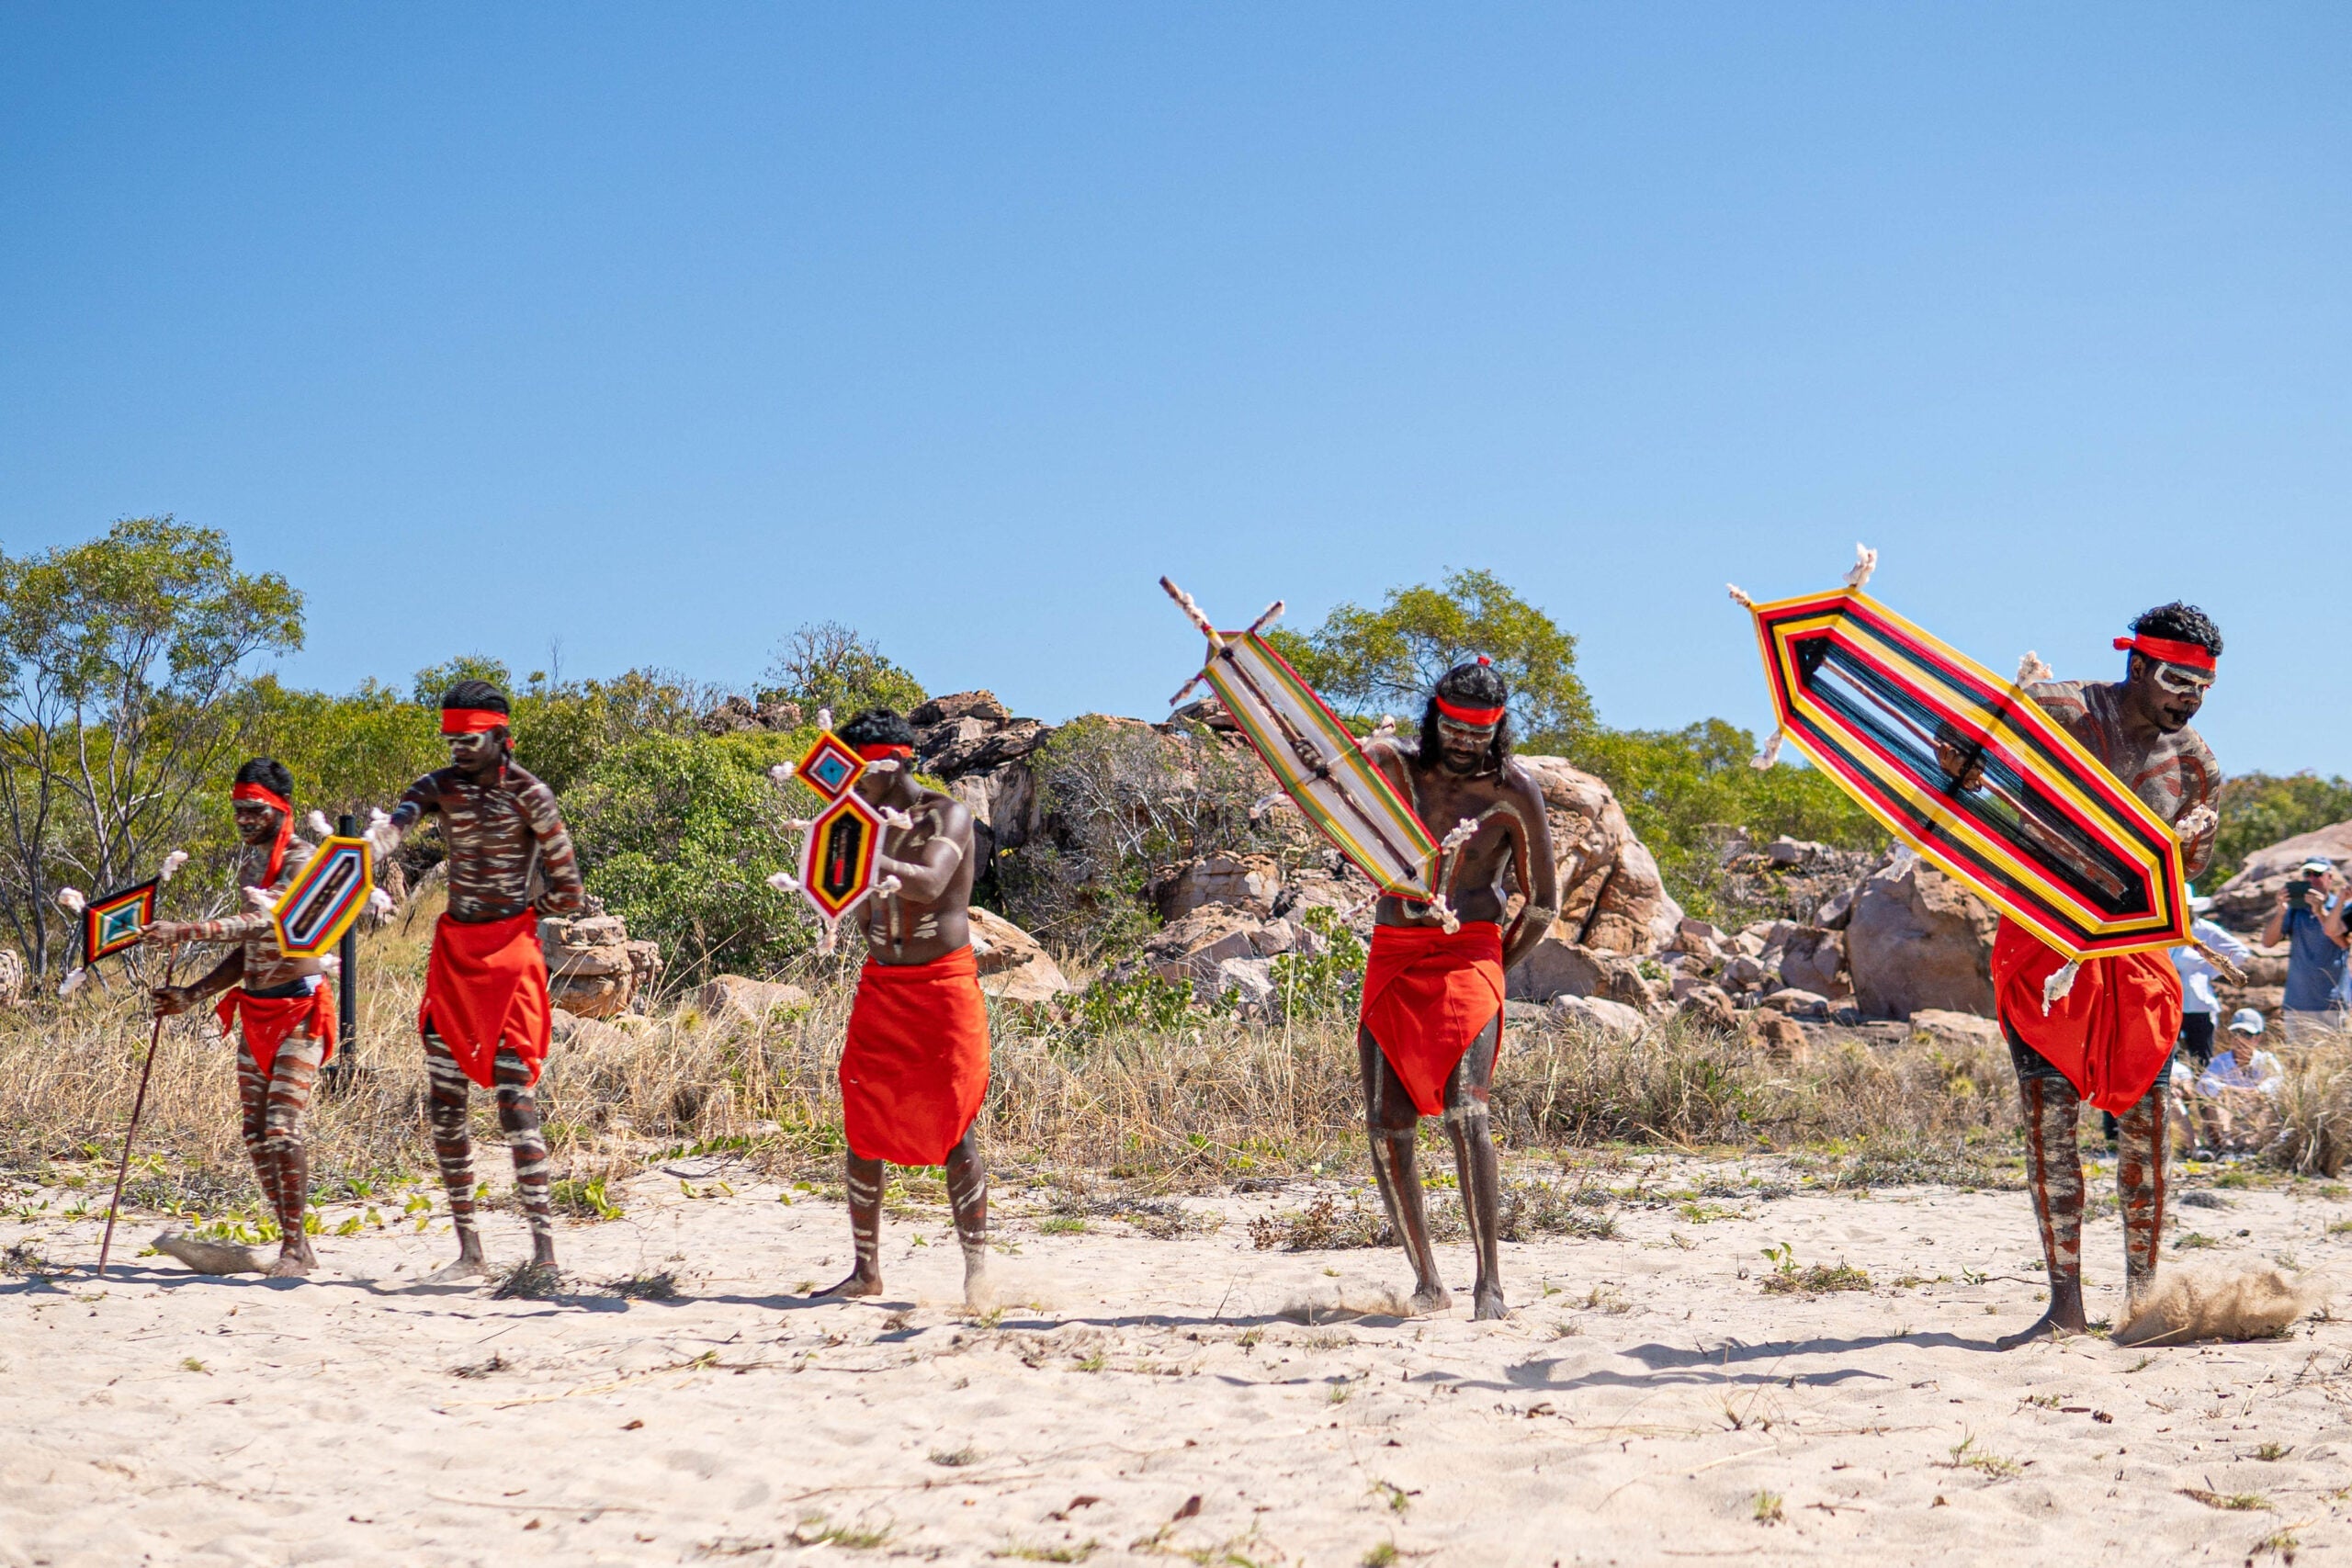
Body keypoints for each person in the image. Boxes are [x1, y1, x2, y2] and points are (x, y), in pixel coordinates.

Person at [1969, 603, 2222, 1347]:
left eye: (2203, 687)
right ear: (2138, 665)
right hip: (2043, 937)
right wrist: (1966, 756)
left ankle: (2143, 1302)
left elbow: (2189, 869)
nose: (2190, 699)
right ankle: (2064, 1306)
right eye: (2177, 680)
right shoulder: (2059, 708)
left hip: (2137, 951)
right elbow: (1969, 750)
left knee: (2147, 1127)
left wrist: (2195, 841)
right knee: (2049, 1124)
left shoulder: (2198, 766)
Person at [1356, 658, 1559, 1320]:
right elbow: (1339, 797)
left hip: (1470, 952)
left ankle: (1488, 1284)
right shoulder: (1395, 766)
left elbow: (1542, 904)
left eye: (1479, 733)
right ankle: (1427, 1281)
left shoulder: (1513, 790)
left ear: (1498, 730)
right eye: (1454, 729)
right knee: (1386, 1122)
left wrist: (1495, 962)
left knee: (1467, 1113)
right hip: (1395, 950)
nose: (1466, 743)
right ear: (1434, 718)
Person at [365, 682, 583, 1282]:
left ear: (500, 736)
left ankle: (544, 1255)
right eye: (452, 740)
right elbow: (398, 823)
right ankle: (470, 1252)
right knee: (445, 1104)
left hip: (510, 957)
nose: (458, 749)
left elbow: (569, 889)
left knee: (515, 1101)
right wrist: (371, 845)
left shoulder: (531, 795)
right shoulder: (441, 787)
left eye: (470, 739)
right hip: (454, 957)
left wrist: (523, 912)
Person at [810, 708, 993, 1309]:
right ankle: (865, 1271)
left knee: (956, 1127)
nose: (850, 783)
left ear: (890, 766)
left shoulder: (947, 815)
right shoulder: (853, 821)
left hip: (942, 988)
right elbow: (836, 888)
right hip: (881, 987)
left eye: (857, 771)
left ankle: (977, 1277)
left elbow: (929, 882)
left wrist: (862, 852)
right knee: (864, 1124)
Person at [141, 760, 333, 1278]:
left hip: (300, 1012)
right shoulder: (252, 867)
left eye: (254, 810)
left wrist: (187, 930)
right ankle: (298, 1244)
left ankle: (294, 1248)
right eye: (238, 810)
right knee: (254, 1132)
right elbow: (249, 949)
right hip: (257, 1011)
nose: (244, 819)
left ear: (281, 810)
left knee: (281, 1127)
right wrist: (193, 994)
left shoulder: (302, 860)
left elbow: (268, 919)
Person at [2109, 889, 2254, 1148]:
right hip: (2164, 1006)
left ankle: (2213, 1130)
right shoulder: (2159, 928)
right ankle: (2175, 1132)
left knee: (2201, 1066)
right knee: (2167, 1065)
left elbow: (2239, 952)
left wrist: (2205, 973)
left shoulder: (2205, 930)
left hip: (2196, 1006)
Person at [2261, 856, 2346, 1043]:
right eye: (2308, 874)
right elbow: (2268, 942)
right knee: (2299, 1058)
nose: (2312, 879)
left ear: (2329, 878)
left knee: (2331, 1056)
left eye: (2317, 874)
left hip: (2331, 1003)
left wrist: (2320, 912)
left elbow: (2343, 943)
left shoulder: (2341, 907)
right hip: (2297, 1003)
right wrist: (2281, 912)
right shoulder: (2295, 909)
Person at [2192, 1009, 2285, 1153]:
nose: (2240, 1039)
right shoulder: (2221, 1061)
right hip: (2230, 1113)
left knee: (2267, 1099)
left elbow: (2279, 1082)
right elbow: (2202, 1085)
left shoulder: (2266, 1060)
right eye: (2236, 1034)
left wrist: (2257, 1091)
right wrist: (2229, 1090)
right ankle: (2225, 1144)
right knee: (2217, 1097)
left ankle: (2254, 1143)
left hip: (2255, 1111)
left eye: (2247, 1035)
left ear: (2258, 1038)